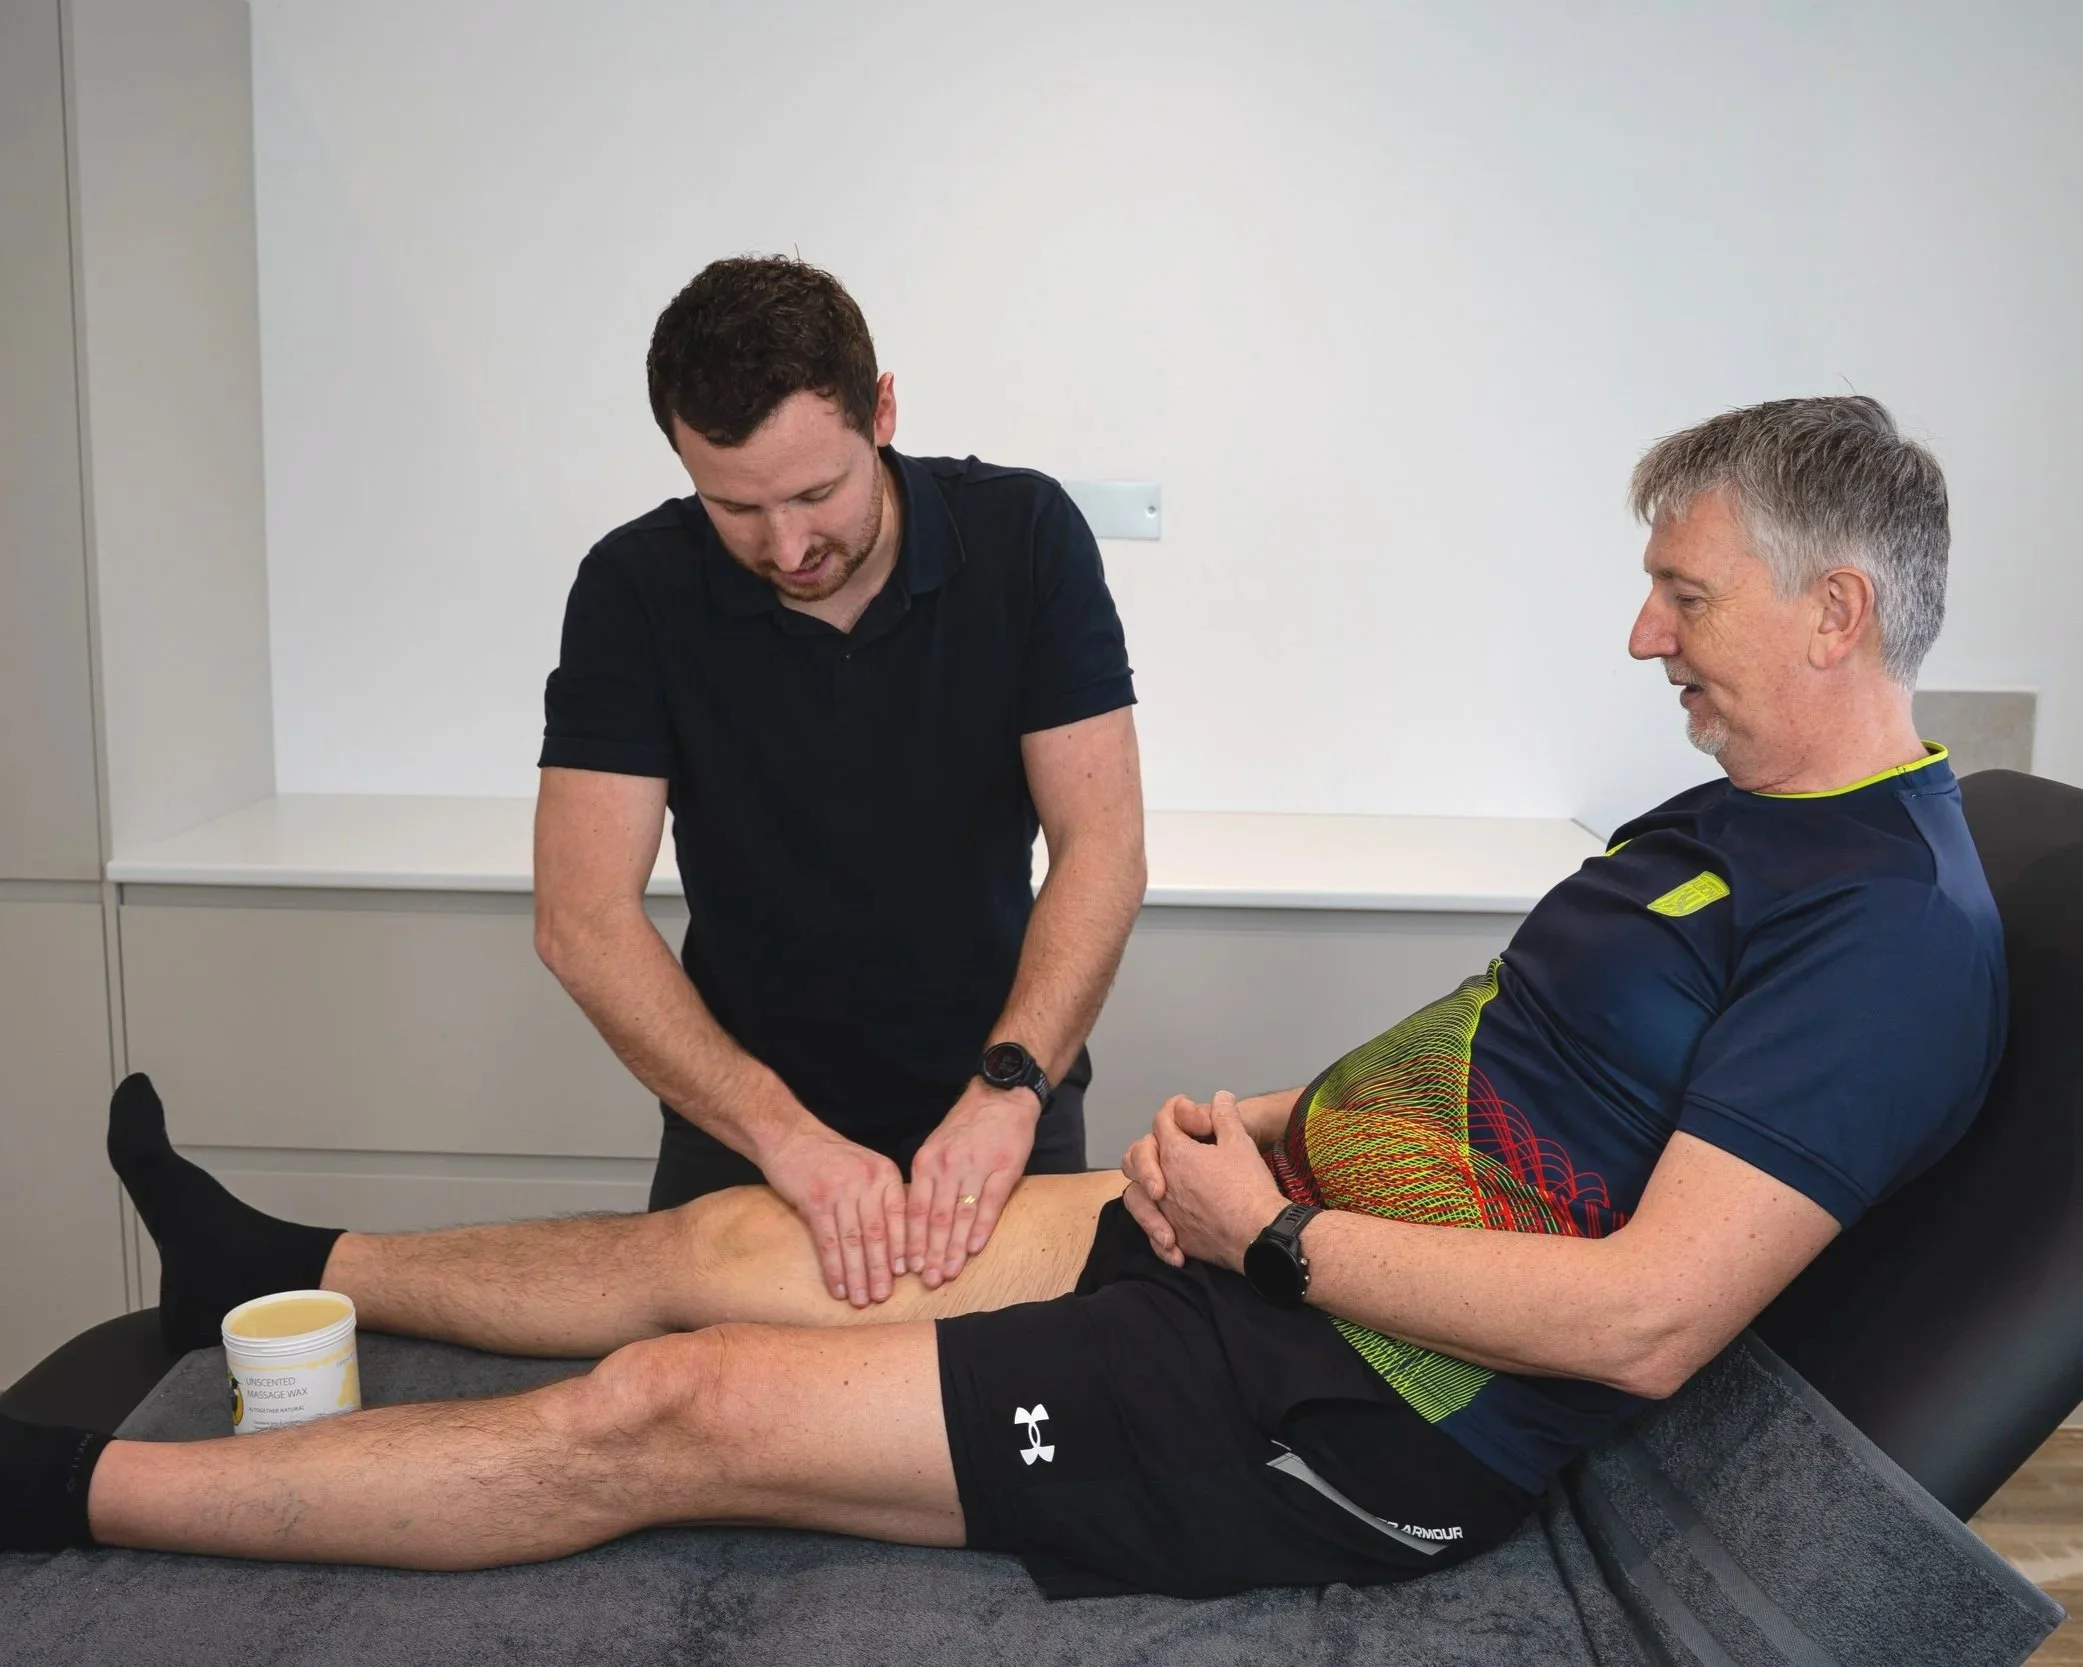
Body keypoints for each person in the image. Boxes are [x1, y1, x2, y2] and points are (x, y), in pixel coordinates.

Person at [0, 396, 2005, 1602]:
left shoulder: (1892, 932)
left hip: (1362, 1411)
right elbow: (1511, 1077)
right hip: (1276, 1235)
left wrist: (1284, 1236)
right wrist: (1269, 1142)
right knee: (724, 1237)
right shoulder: (1733, 809)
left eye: (1685, 592)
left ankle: (75, 1486)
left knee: (670, 1401)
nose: (1639, 628)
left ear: (1837, 612)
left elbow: (1651, 1315)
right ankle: (270, 1258)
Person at [535, 255, 1147, 1304]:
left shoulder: (1024, 538)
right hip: (744, 1125)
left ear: (883, 411)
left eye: (817, 492)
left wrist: (1008, 1090)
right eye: (735, 507)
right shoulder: (633, 590)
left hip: (1003, 1093)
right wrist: (780, 1133)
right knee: (707, 1434)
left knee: (1023, 1438)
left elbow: (1103, 847)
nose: (787, 544)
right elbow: (581, 918)